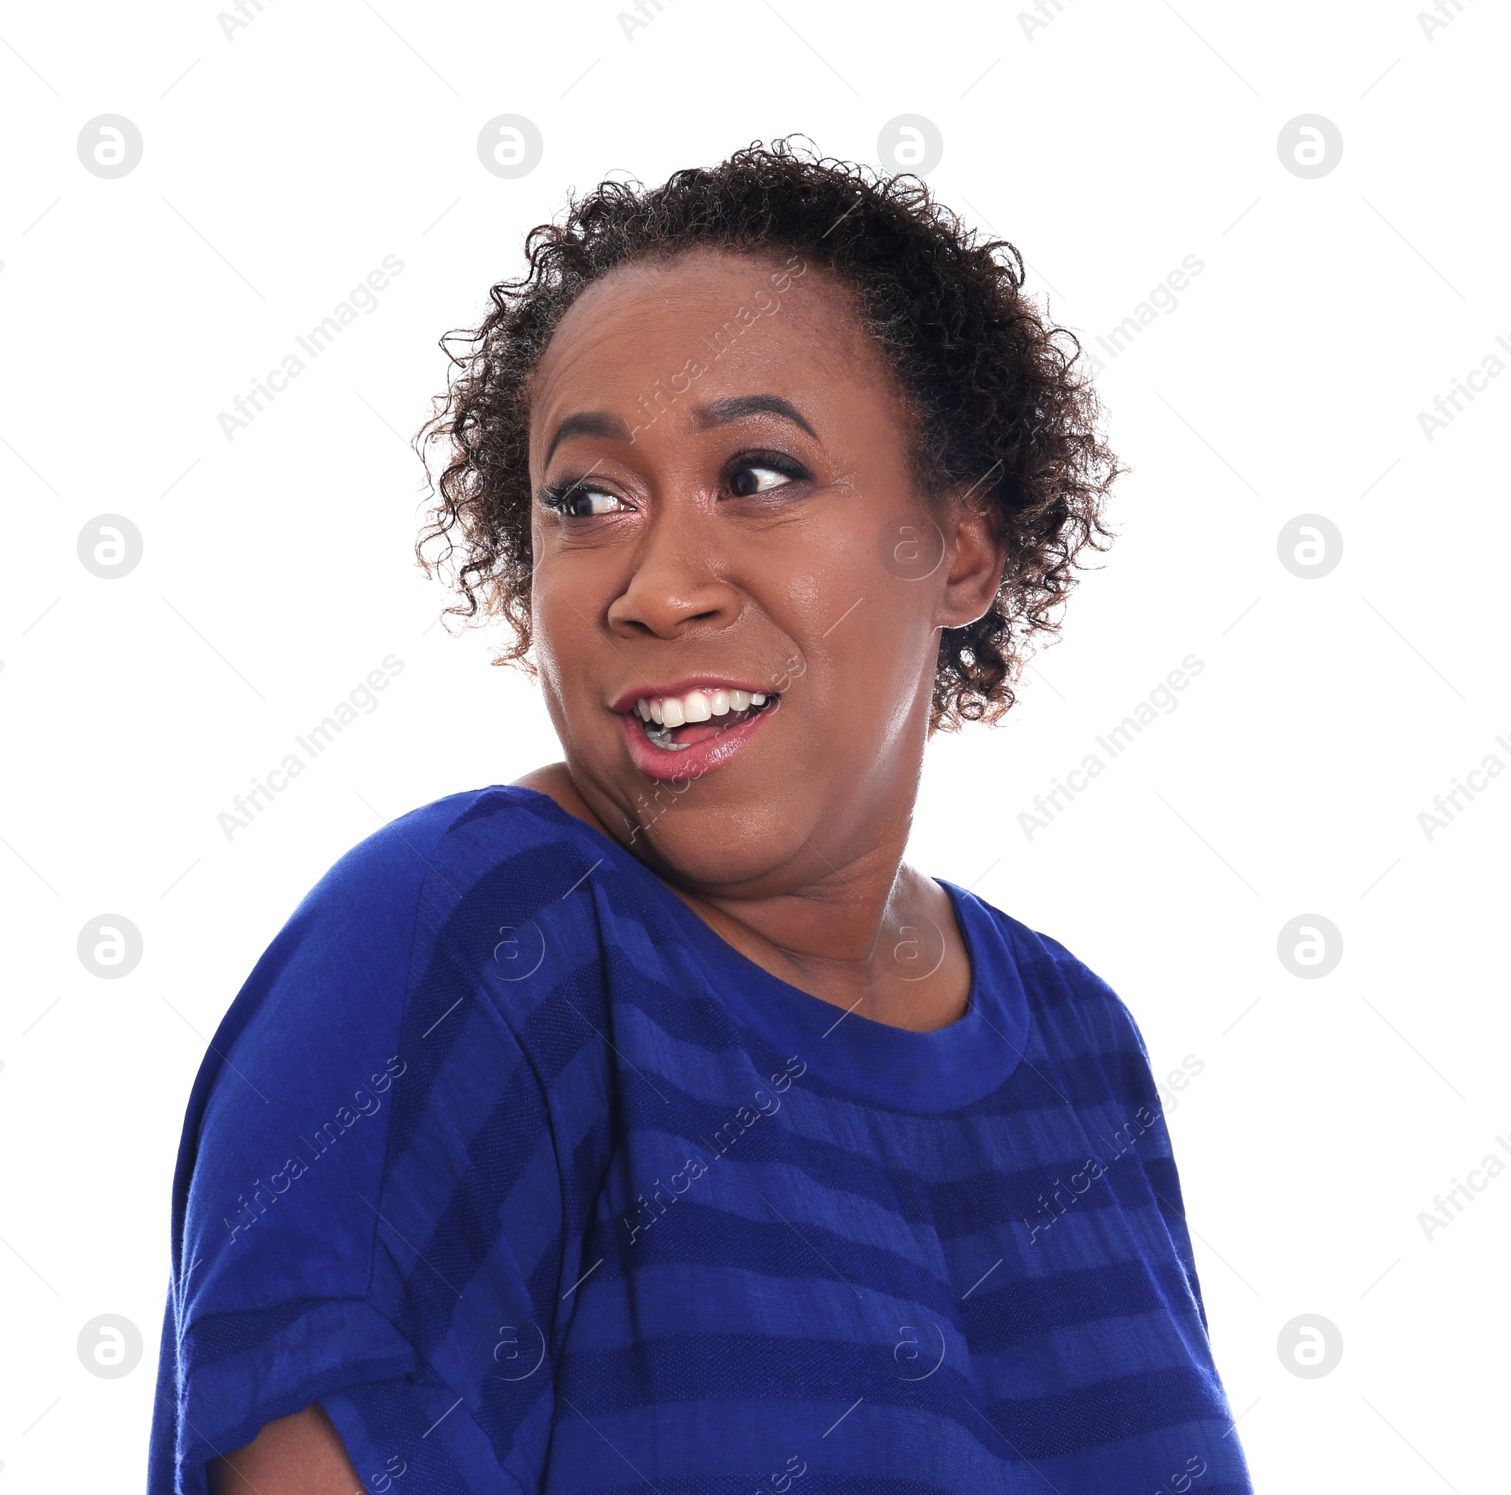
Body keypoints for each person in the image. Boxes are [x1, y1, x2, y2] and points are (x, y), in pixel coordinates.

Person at [148, 138, 1254, 1493]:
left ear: (962, 546)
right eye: (589, 501)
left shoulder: (1079, 1047)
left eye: (759, 475)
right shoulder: (473, 943)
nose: (658, 586)